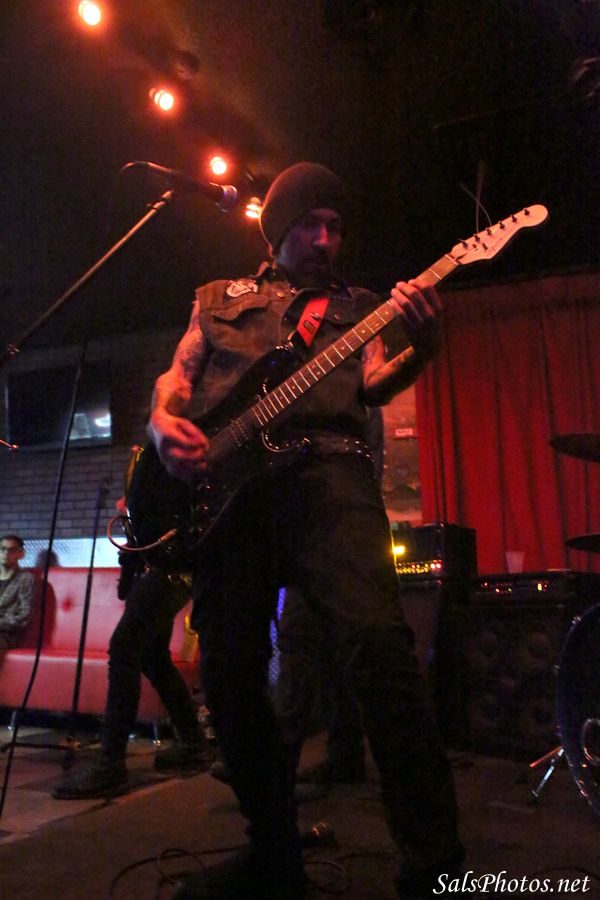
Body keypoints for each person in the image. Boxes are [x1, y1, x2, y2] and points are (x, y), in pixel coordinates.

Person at [147, 162, 463, 899]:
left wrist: (425, 346)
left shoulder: (359, 307)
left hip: (329, 473)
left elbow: (376, 382)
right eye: (311, 225)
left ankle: (435, 864)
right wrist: (162, 425)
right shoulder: (218, 298)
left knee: (380, 648)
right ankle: (273, 852)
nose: (326, 240)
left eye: (336, 227)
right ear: (277, 228)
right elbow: (177, 377)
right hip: (230, 492)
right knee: (229, 669)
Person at [53, 502, 213, 800]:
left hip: (167, 566)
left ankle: (111, 762)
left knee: (124, 650)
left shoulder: (164, 469)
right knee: (153, 659)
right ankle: (194, 744)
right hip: (163, 566)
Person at [0, 534, 34, 650]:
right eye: (2, 549)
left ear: (21, 554)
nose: (6, 553)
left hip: (8, 634)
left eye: (11, 550)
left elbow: (24, 616)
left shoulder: (25, 579)